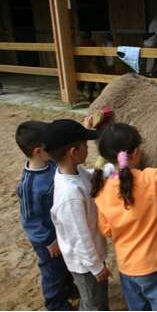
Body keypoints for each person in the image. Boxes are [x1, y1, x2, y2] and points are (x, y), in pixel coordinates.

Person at [91, 123, 157, 311]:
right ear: (135, 153)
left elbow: (106, 230)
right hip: (154, 266)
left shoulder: (101, 189)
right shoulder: (151, 179)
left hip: (126, 267)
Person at [43, 119, 110, 311]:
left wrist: (111, 168)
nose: (88, 149)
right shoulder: (70, 195)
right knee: (93, 304)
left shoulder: (73, 171)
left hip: (92, 256)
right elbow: (79, 238)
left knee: (98, 298)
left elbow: (91, 176)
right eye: (86, 145)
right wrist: (96, 266)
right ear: (74, 152)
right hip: (85, 264)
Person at [15, 121, 76, 311]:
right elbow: (30, 220)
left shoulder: (50, 164)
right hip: (47, 240)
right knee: (52, 272)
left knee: (64, 264)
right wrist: (48, 242)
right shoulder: (29, 185)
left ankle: (68, 289)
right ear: (38, 151)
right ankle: (56, 304)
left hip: (60, 230)